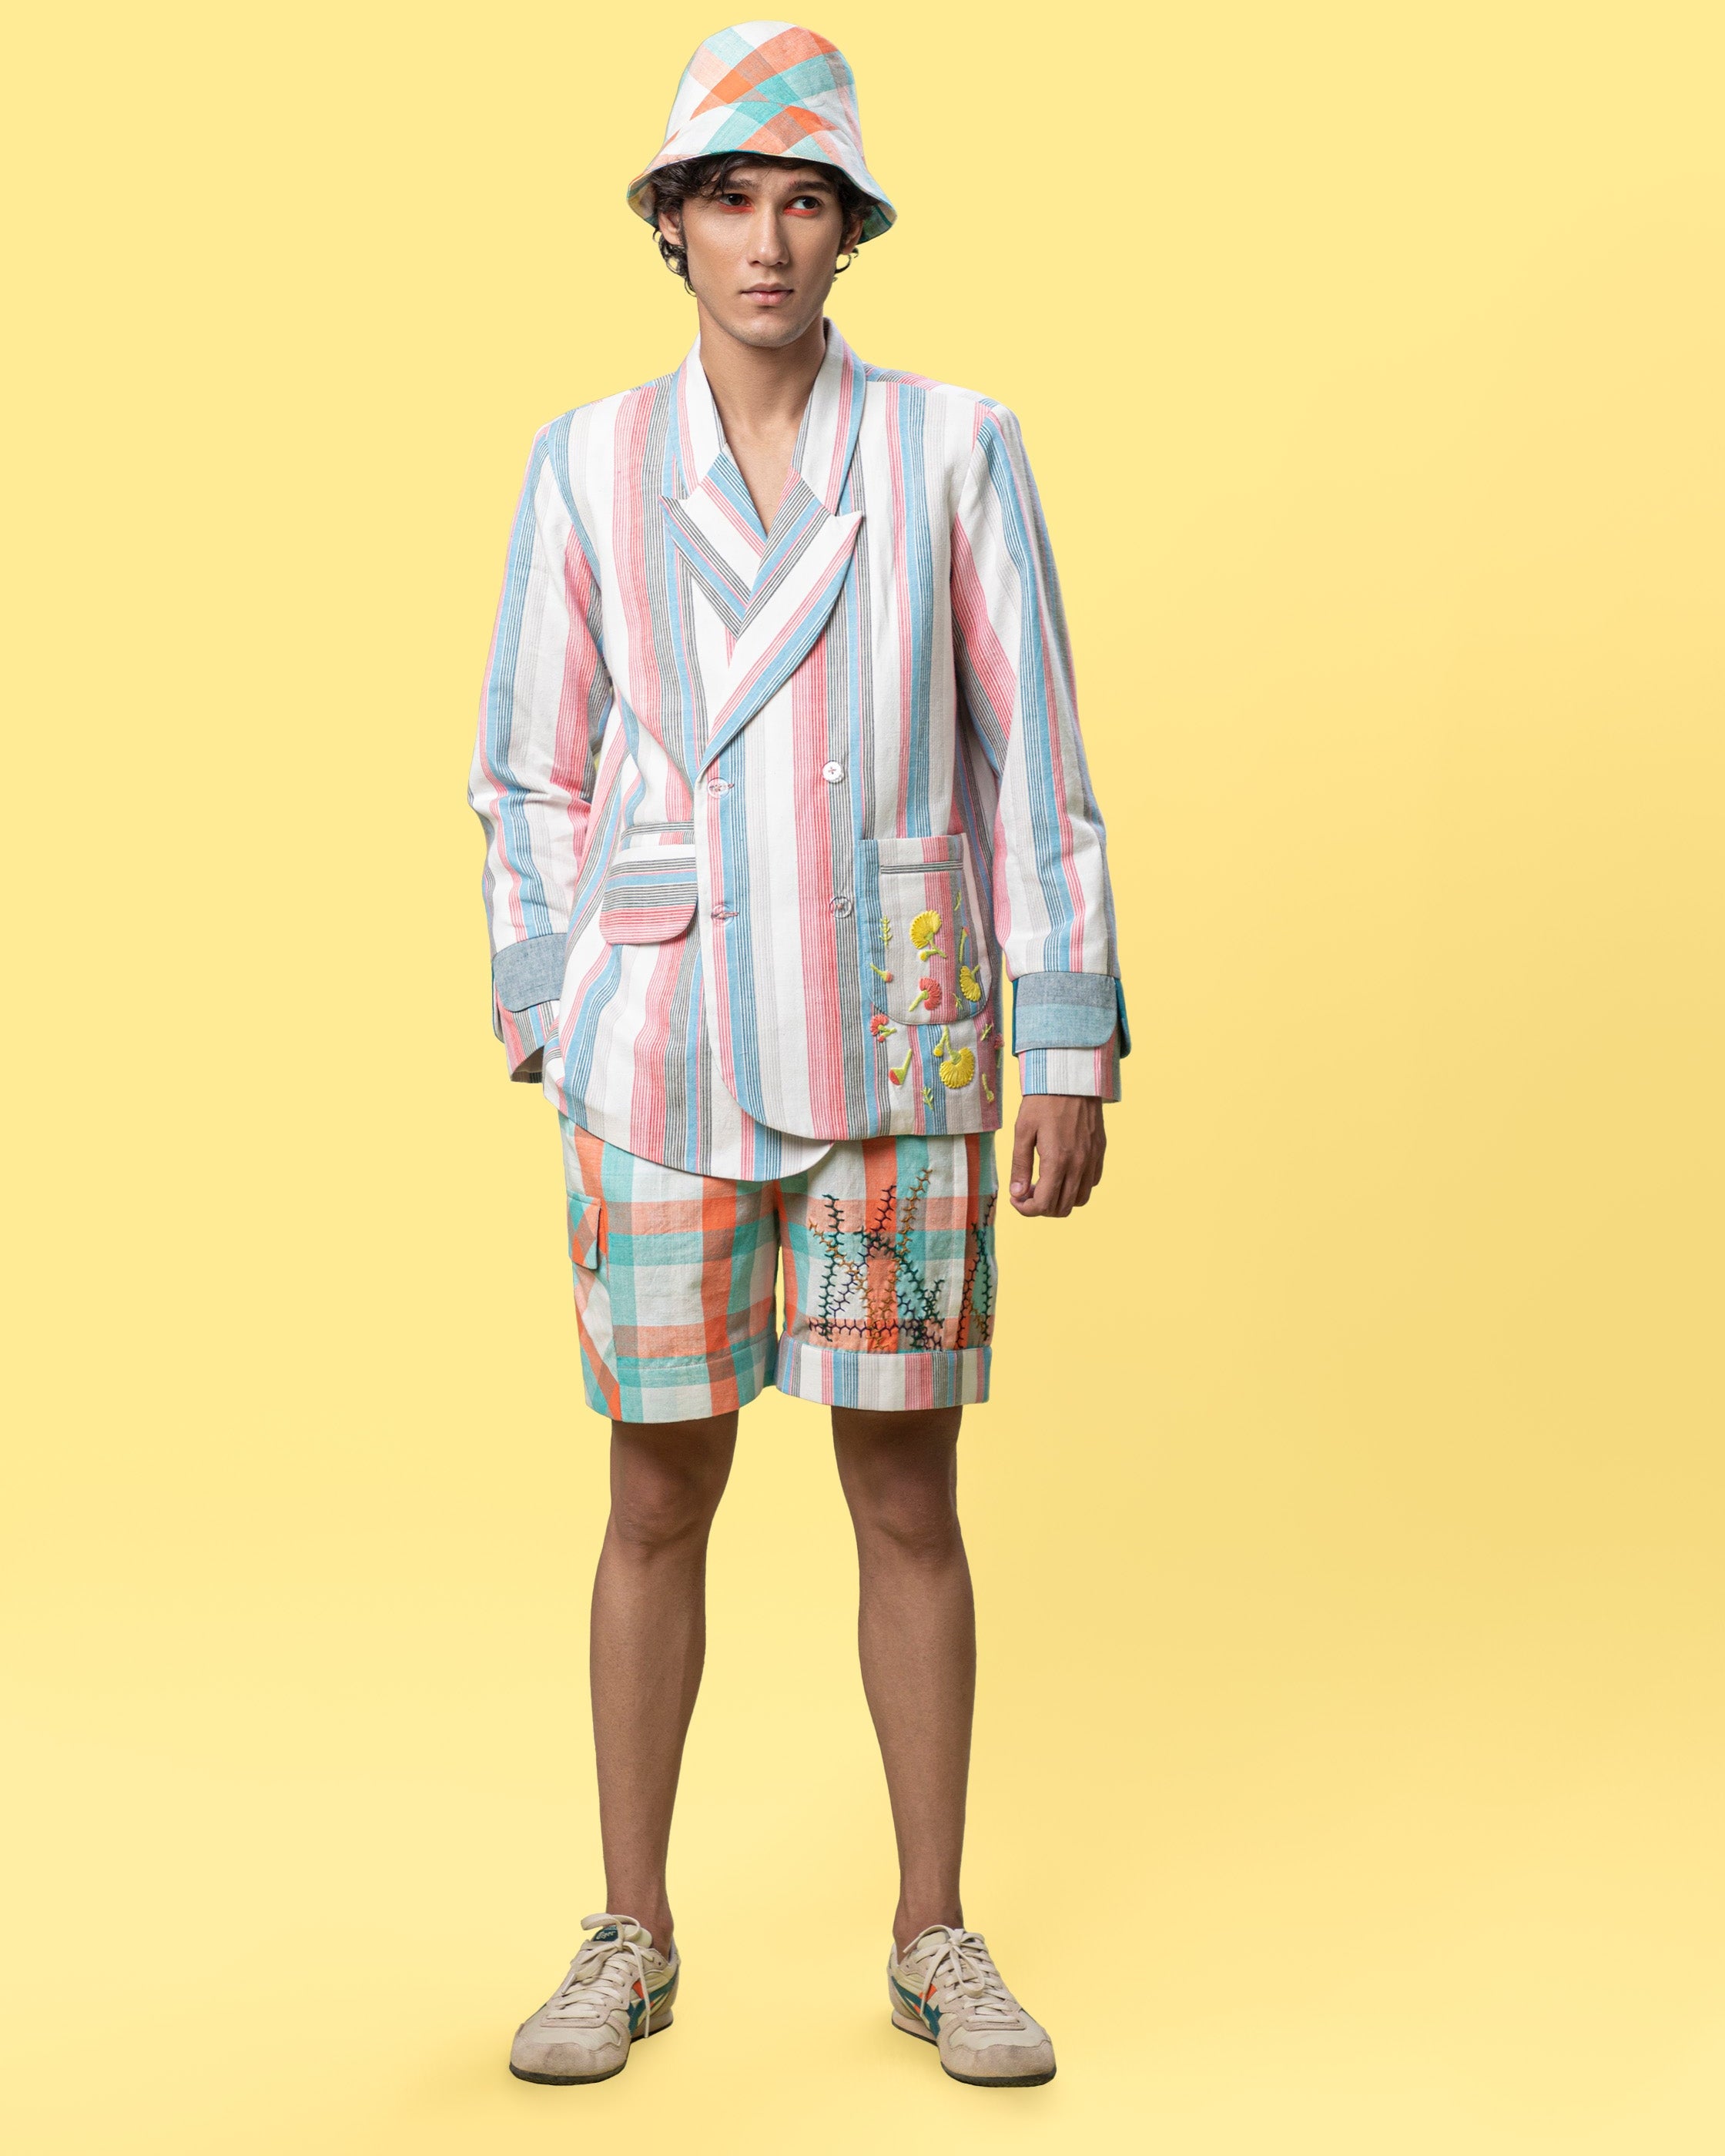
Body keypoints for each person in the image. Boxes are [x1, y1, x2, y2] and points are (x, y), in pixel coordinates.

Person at [469, 20, 1126, 2091]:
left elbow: (1035, 761)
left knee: (905, 1490)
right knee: (655, 1488)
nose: (768, 239)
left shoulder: (953, 449)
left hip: (898, 1044)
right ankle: (628, 1931)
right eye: (731, 199)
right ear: (672, 227)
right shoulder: (587, 464)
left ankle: (936, 1932)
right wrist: (555, 1002)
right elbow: (529, 767)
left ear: (851, 230)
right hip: (661, 1050)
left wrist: (1066, 1037)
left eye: (806, 200)